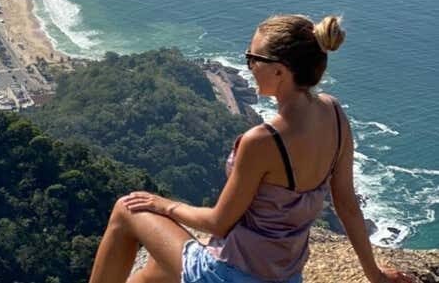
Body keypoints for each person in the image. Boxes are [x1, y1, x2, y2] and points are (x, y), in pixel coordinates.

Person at [87, 15, 415, 283]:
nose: (248, 66)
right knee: (153, 274)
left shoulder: (263, 140)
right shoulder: (335, 114)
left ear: (279, 71)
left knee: (126, 209)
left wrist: (166, 205)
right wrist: (374, 275)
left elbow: (217, 222)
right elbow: (346, 203)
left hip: (231, 275)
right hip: (285, 276)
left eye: (252, 58)